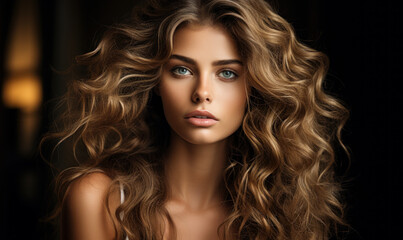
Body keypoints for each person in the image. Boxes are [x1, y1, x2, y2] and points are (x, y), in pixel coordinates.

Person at [45, 0, 349, 239]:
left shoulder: (282, 209)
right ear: (156, 82)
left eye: (227, 73)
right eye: (182, 70)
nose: (202, 92)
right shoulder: (99, 201)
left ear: (255, 88)